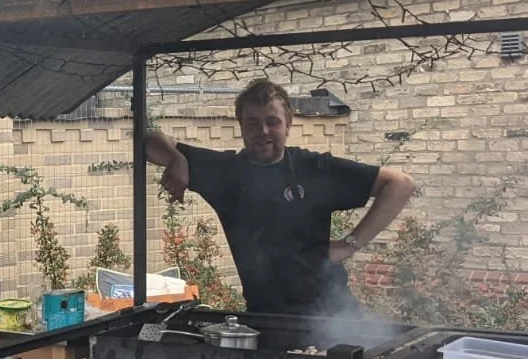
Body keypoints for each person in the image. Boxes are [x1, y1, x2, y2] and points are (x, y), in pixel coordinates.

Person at [145, 78, 415, 319]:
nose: (263, 131)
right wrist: (177, 158)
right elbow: (147, 141)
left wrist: (349, 244)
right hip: (266, 320)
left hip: (332, 317)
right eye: (253, 123)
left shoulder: (316, 169)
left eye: (272, 122)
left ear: (288, 124)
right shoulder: (225, 173)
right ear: (240, 126)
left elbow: (399, 184)